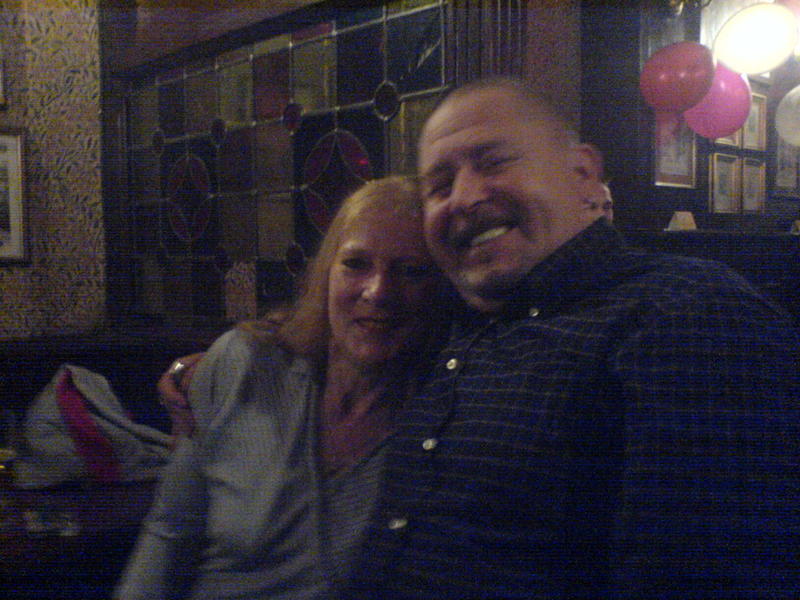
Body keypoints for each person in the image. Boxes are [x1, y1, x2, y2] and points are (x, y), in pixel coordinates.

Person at [160, 77, 800, 599]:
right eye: (439, 185)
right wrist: (214, 366)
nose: (464, 197)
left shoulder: (685, 312)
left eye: (494, 162)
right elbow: (347, 332)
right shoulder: (457, 324)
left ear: (583, 174)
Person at [114, 176, 447, 599]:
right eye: (355, 263)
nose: (378, 291)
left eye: (412, 271)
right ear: (326, 274)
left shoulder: (446, 423)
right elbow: (169, 533)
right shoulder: (242, 364)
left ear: (441, 291)